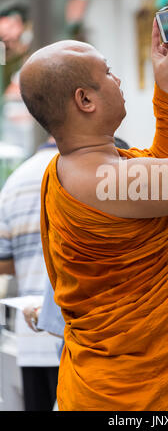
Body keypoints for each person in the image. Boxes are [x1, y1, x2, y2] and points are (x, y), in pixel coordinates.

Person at [19, 11, 168, 411]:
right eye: (108, 72)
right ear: (85, 100)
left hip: (112, 389)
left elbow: (167, 167)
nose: (119, 79)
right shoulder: (108, 182)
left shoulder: (81, 174)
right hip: (134, 400)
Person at [0, 137, 60, 411]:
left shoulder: (15, 182)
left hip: (31, 335)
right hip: (78, 335)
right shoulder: (84, 171)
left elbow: (3, 262)